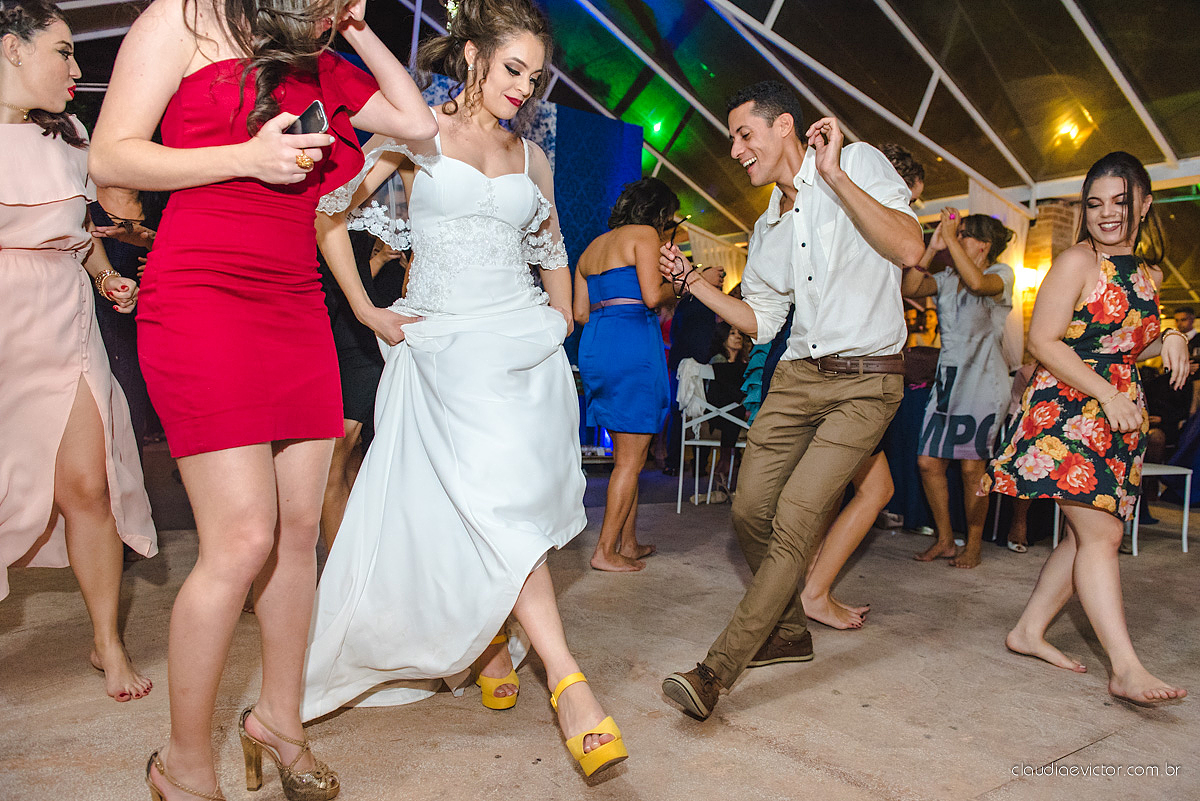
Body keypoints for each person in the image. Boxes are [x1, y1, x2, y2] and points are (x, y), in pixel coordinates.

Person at [90, 0, 437, 796]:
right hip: (202, 291)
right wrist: (242, 158)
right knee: (242, 537)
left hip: (294, 303)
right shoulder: (180, 19)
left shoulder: (323, 53)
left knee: (294, 531)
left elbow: (416, 123)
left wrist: (352, 27)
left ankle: (280, 721)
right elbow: (109, 157)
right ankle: (181, 763)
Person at [301, 0, 628, 779]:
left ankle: (488, 640)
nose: (524, 87)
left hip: (519, 353)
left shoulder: (531, 157)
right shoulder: (419, 134)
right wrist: (364, 307)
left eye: (536, 76)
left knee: (498, 506)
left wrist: (554, 326)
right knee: (488, 505)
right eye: (513, 68)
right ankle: (569, 682)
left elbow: (553, 252)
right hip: (444, 351)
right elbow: (328, 212)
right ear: (474, 54)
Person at [658, 81, 924, 721]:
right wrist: (693, 282)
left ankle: (716, 672)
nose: (736, 149)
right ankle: (785, 628)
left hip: (867, 377)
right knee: (749, 507)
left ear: (784, 126)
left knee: (798, 514)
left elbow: (910, 249)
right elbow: (762, 322)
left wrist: (833, 175)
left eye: (744, 134)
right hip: (799, 374)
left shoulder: (854, 162)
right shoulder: (767, 228)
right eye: (731, 140)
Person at [985, 151, 1187, 704]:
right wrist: (1107, 393)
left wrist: (1170, 336)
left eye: (1120, 201)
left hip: (1116, 414)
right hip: (1070, 410)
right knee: (1103, 534)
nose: (1107, 213)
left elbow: (1123, 340)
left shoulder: (1147, 274)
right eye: (1095, 203)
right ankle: (1124, 667)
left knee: (1083, 536)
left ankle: (1028, 631)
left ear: (1144, 205)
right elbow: (1044, 341)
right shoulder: (1078, 261)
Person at [0, 0, 156, 703]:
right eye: (62, 50)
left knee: (89, 485)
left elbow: (79, 226)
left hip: (64, 319)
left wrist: (104, 274)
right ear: (11, 50)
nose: (76, 66)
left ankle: (107, 642)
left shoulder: (70, 133)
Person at [574, 177, 676, 572]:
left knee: (627, 456)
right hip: (633, 343)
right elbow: (653, 296)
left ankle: (628, 542)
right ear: (659, 212)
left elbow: (581, 313)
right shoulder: (645, 235)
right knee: (631, 461)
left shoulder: (592, 248)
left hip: (598, 346)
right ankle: (605, 551)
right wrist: (679, 288)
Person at [906, 210, 1015, 568]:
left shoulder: (1001, 275)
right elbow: (909, 289)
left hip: (984, 382)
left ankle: (974, 543)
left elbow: (979, 285)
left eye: (964, 234)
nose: (956, 236)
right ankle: (945, 539)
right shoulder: (947, 276)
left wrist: (948, 239)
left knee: (971, 469)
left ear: (984, 244)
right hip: (948, 382)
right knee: (927, 462)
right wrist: (932, 247)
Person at [318, 228, 407, 549]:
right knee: (340, 452)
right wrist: (380, 258)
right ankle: (339, 570)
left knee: (378, 455)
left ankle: (371, 559)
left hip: (403, 338)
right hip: (351, 338)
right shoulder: (341, 221)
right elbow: (337, 288)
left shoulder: (416, 210)